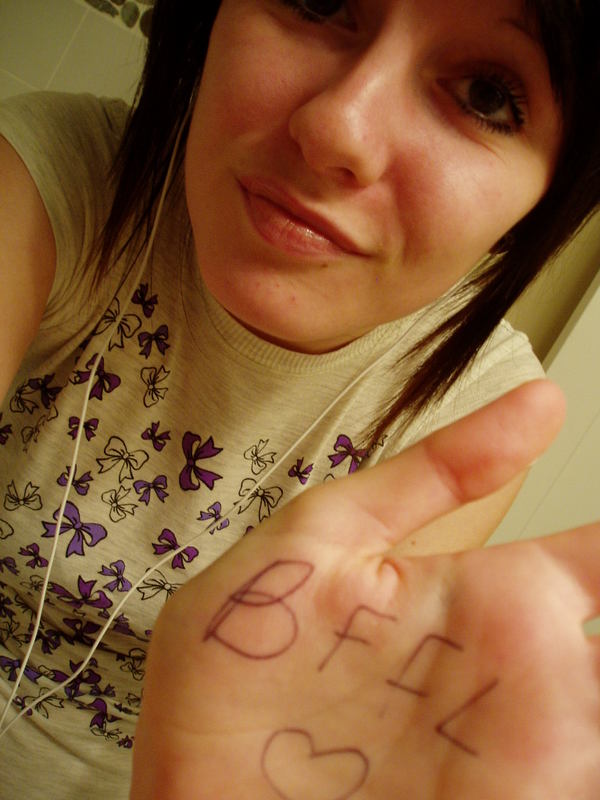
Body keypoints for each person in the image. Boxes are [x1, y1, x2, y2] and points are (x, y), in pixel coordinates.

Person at [0, 0, 598, 797]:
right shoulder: (53, 181)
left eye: (486, 95)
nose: (336, 128)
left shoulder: (474, 417)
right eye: (317, 1)